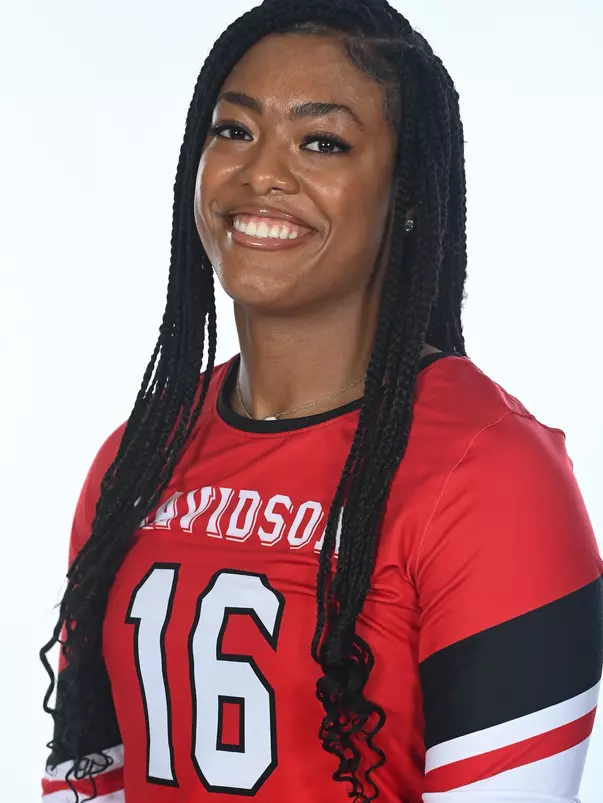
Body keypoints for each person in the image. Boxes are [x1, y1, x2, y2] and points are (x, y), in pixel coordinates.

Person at [40, 1, 603, 801]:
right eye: (232, 131)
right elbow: (88, 777)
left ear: (408, 193)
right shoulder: (137, 455)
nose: (261, 172)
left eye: (322, 142)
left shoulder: (491, 477)